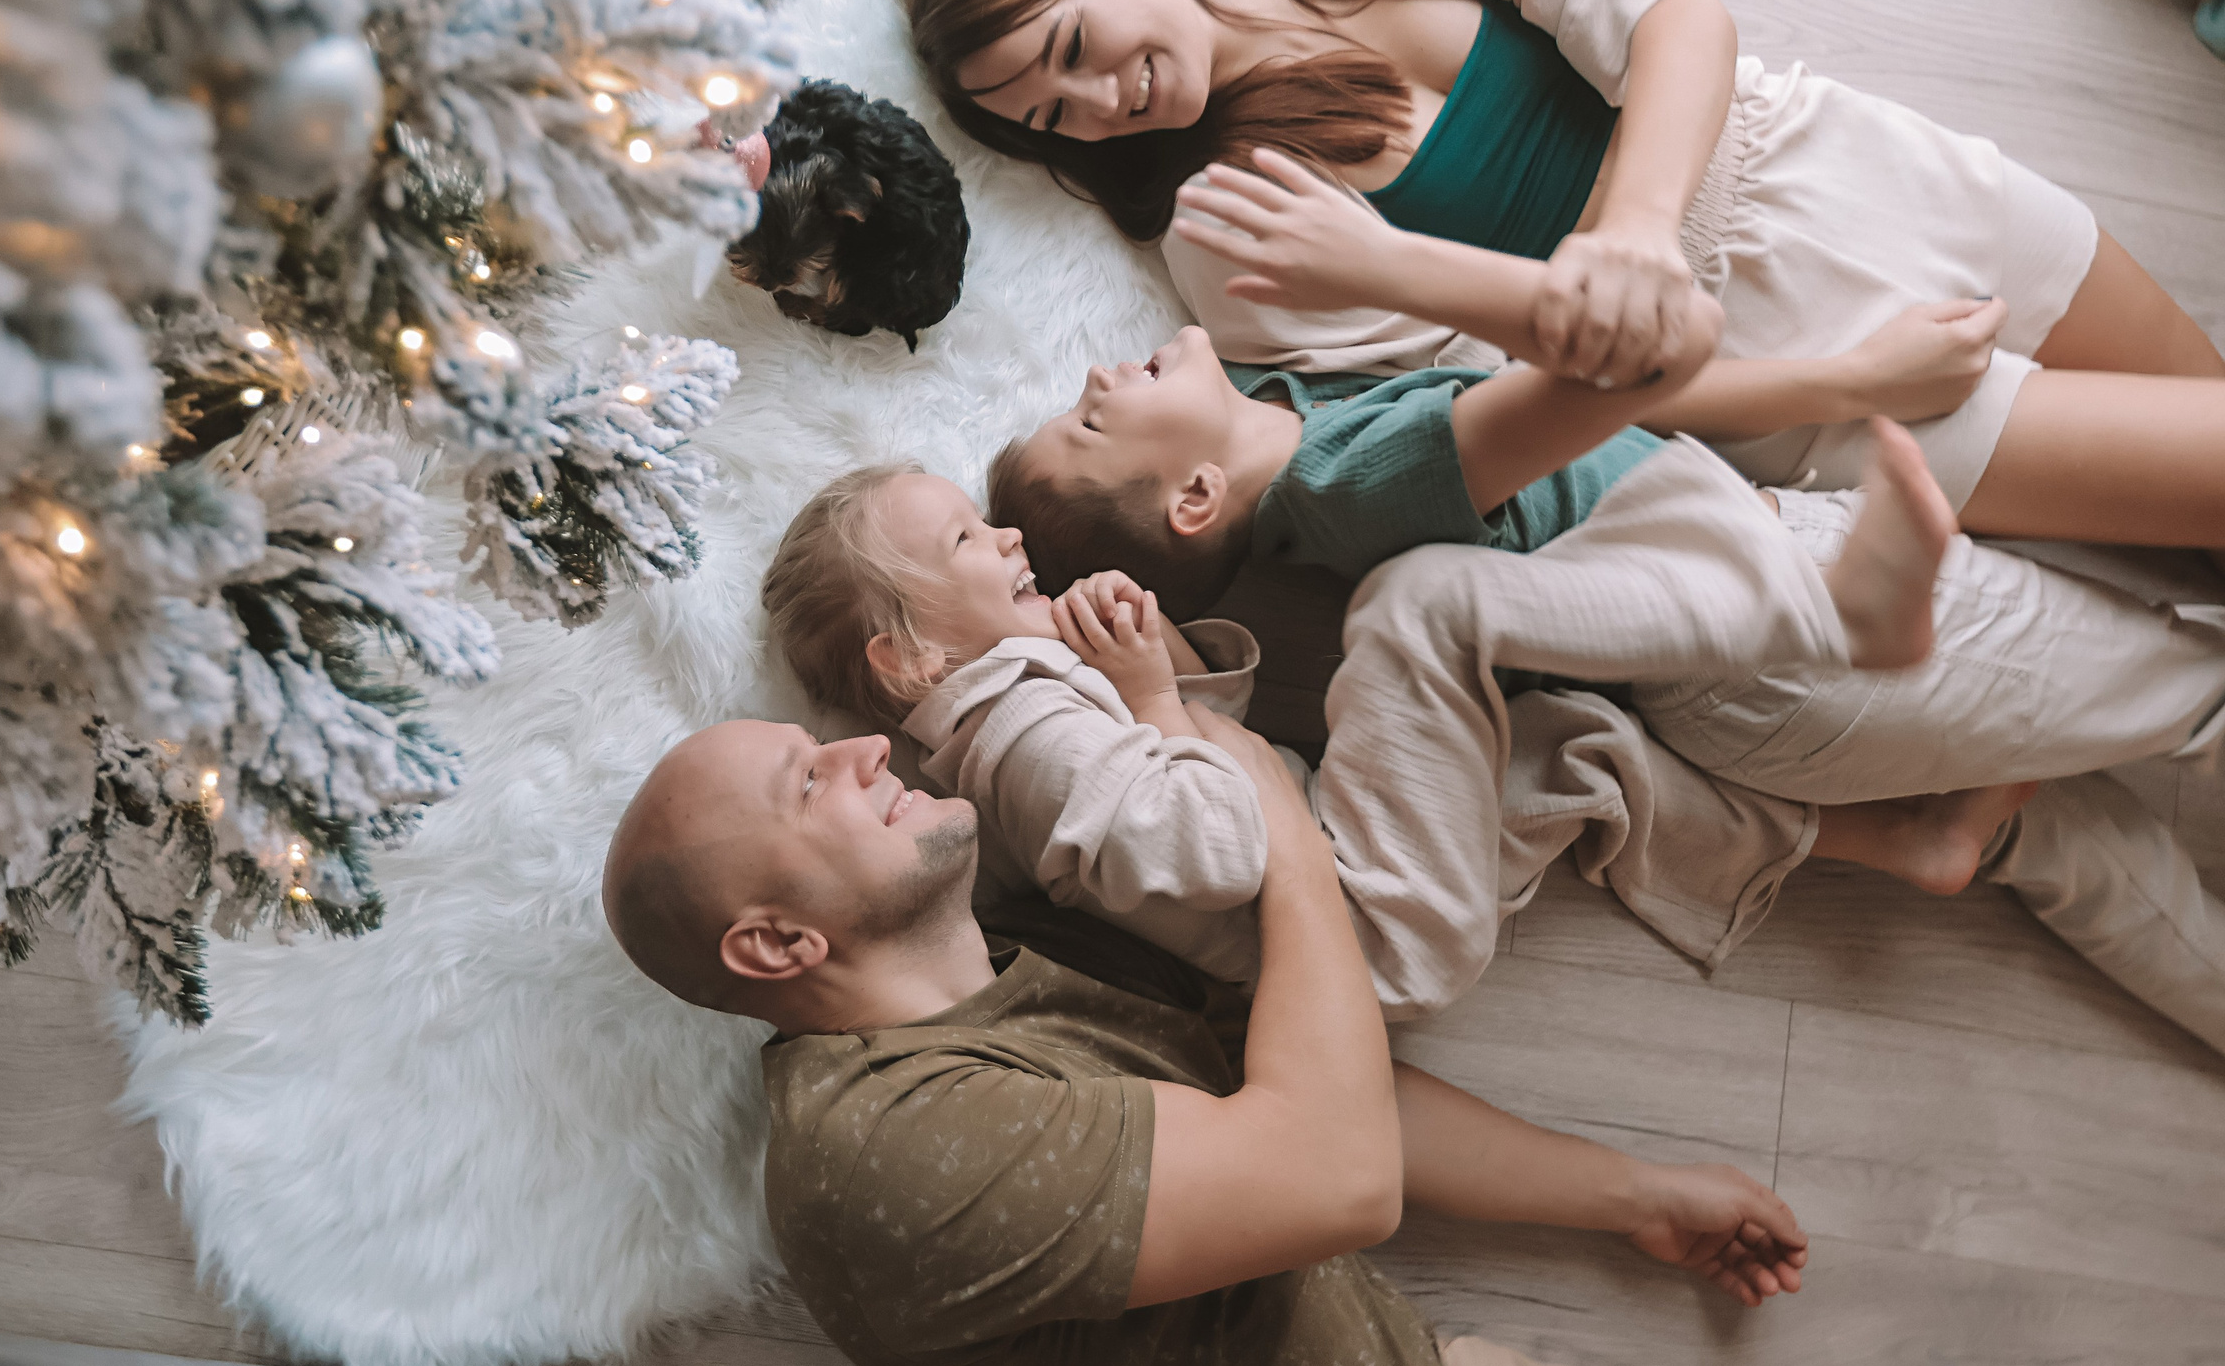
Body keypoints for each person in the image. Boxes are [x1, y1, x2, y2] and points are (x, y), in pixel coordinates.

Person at [889, 0, 2225, 551]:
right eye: (1050, 118)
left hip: (1838, 165)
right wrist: (1846, 380)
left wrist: (1634, 230)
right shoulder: (1226, 231)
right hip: (1782, 372)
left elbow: (1678, 14)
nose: (1099, 103)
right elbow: (1527, 406)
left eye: (1073, 47)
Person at [987, 314, 2225, 1024]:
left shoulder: (1298, 442)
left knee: (2083, 818)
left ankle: (1960, 820)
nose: (1093, 375)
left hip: (1755, 663)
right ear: (1195, 497)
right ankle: (1866, 647)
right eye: (1089, 420)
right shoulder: (1348, 482)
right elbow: (1605, 375)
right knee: (2187, 690)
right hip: (1783, 637)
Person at [603, 713, 1811, 1366]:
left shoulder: (1031, 962)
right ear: (776, 943)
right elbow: (1333, 1176)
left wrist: (1633, 1194)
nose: (862, 749)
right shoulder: (872, 1150)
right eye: (807, 782)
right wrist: (1290, 845)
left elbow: (1324, 1091)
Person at [758, 447, 2029, 1003]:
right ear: (910, 657)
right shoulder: (1020, 747)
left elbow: (1210, 749)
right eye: (967, 542)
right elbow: (1218, 843)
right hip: (1355, 911)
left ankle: (1895, 842)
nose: (1008, 536)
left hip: (1368, 907)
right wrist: (1146, 695)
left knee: (1574, 750)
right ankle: (1798, 602)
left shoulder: (1021, 708)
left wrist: (1166, 665)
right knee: (1416, 616)